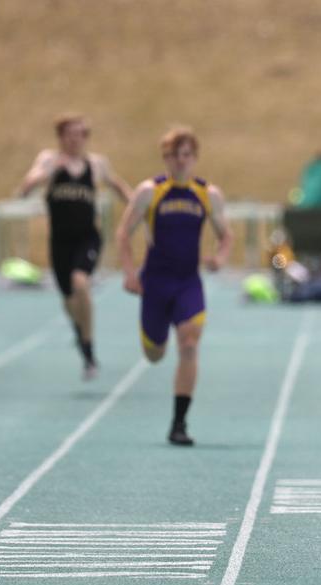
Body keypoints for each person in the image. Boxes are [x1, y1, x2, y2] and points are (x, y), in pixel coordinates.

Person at [116, 127, 232, 446]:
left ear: (194, 158)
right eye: (172, 155)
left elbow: (226, 235)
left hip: (187, 283)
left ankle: (179, 423)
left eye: (185, 155)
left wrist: (220, 258)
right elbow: (124, 232)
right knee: (154, 353)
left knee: (189, 344)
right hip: (155, 284)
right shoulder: (149, 192)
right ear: (164, 158)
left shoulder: (207, 194)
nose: (179, 162)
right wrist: (129, 273)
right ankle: (155, 342)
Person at [17, 113, 132, 380]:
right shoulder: (48, 161)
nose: (75, 139)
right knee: (68, 299)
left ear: (86, 137)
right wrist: (42, 176)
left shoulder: (96, 164)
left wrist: (138, 206)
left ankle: (89, 351)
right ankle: (80, 331)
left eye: (80, 134)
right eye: (69, 134)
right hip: (59, 241)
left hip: (88, 237)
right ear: (60, 137)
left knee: (81, 283)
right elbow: (26, 186)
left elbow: (119, 187)